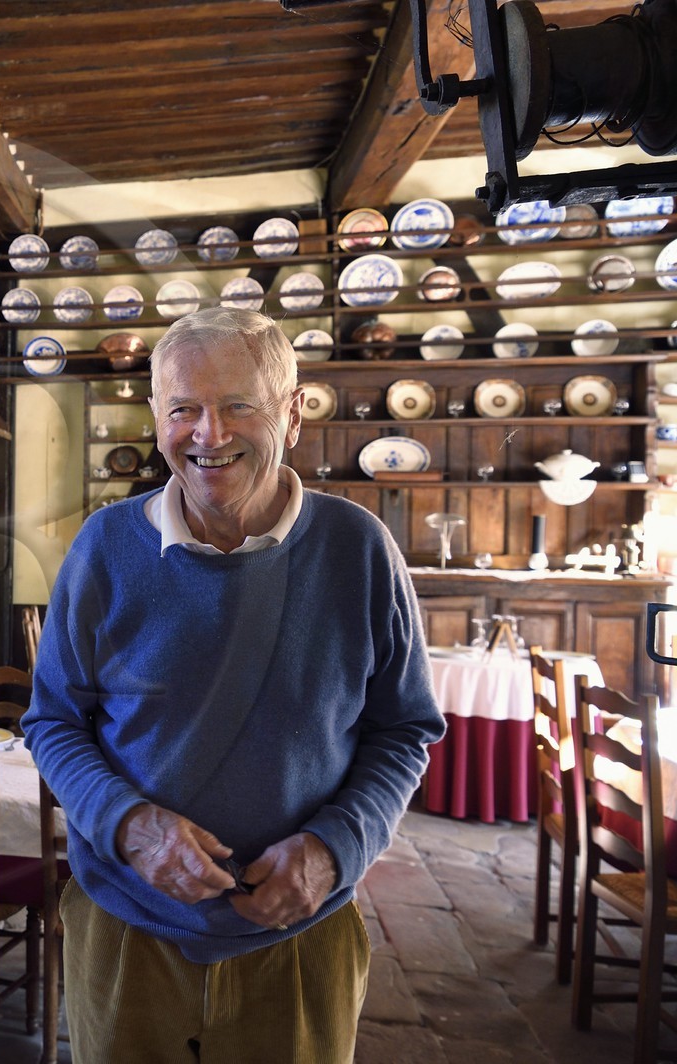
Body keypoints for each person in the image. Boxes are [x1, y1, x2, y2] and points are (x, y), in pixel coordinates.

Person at [22, 306, 445, 1063]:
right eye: (184, 409)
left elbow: (404, 728)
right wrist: (129, 826)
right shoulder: (106, 547)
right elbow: (54, 721)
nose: (209, 435)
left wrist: (333, 848)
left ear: (292, 411)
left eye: (239, 405)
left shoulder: (359, 551)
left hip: (300, 941)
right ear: (156, 418)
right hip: (125, 931)